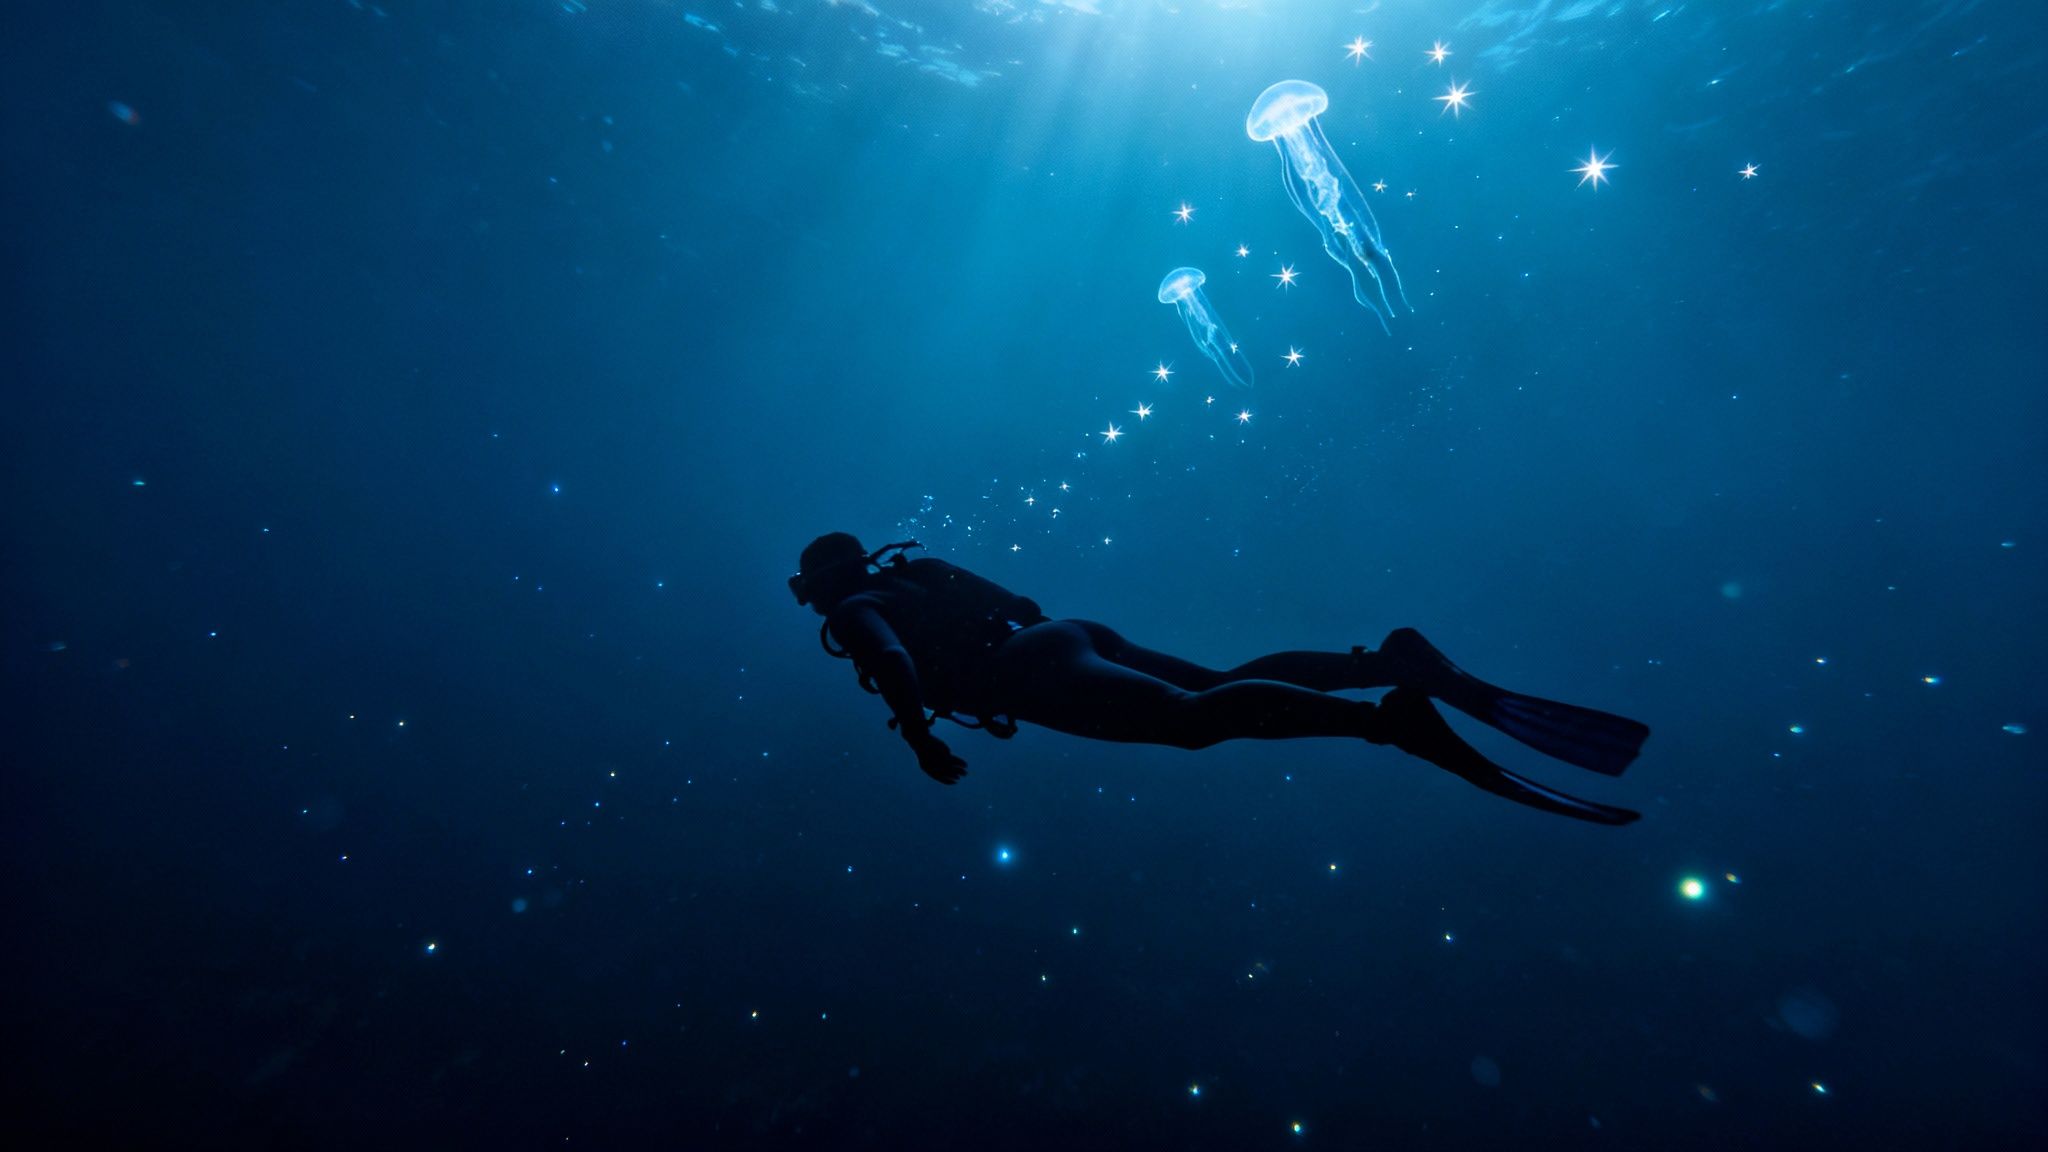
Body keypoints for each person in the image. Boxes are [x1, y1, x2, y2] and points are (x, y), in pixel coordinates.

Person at [789, 533, 1650, 825]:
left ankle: (1389, 721)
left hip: (1025, 671)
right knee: (1223, 684)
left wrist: (918, 736)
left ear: (825, 581)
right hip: (1066, 632)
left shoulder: (852, 608)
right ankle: (1384, 666)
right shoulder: (924, 568)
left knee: (1192, 720)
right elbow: (1019, 598)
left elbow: (893, 659)